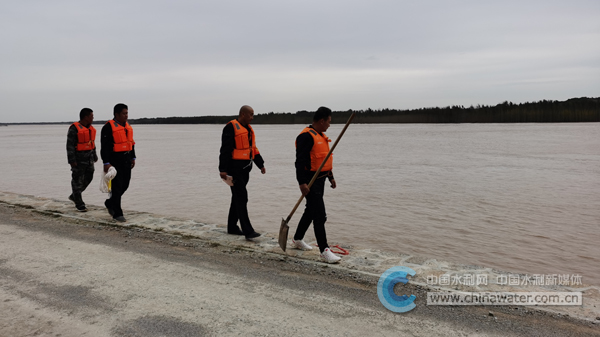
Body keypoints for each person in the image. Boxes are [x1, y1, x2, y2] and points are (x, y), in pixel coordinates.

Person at [291, 106, 341, 263]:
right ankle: (324, 251)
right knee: (320, 215)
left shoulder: (321, 136)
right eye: (328, 122)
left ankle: (298, 238)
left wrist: (331, 177)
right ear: (322, 120)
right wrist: (302, 183)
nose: (329, 125)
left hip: (320, 179)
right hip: (310, 181)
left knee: (310, 211)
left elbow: (323, 160)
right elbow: (299, 161)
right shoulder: (306, 137)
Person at [219, 105, 265, 240]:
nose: (252, 117)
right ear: (243, 114)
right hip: (234, 170)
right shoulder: (231, 127)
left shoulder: (249, 130)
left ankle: (232, 227)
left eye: (253, 115)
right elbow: (225, 150)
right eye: (251, 114)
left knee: (237, 198)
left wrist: (260, 164)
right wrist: (223, 169)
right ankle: (248, 231)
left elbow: (253, 149)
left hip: (245, 170)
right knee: (242, 197)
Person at [101, 103, 136, 222]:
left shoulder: (127, 126)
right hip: (114, 161)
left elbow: (131, 143)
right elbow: (104, 147)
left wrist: (133, 157)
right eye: (124, 113)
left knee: (125, 185)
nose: (126, 115)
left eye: (127, 113)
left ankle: (110, 203)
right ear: (116, 114)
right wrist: (106, 163)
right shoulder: (108, 127)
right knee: (116, 187)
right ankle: (117, 213)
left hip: (126, 160)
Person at [66, 108, 98, 212]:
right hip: (78, 160)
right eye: (91, 116)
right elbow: (69, 145)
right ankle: (79, 203)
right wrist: (72, 160)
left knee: (89, 176)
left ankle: (74, 195)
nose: (93, 118)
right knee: (76, 181)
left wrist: (95, 155)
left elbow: (92, 143)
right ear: (86, 117)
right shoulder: (74, 129)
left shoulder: (90, 129)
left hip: (89, 159)